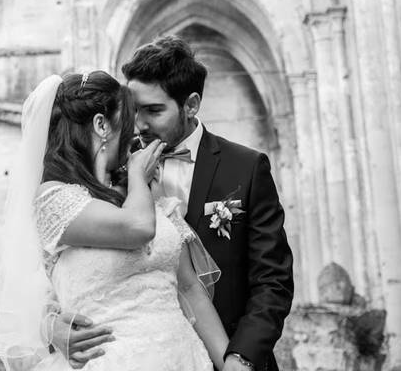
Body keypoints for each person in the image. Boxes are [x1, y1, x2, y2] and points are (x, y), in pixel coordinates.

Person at [54, 36, 294, 371]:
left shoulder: (247, 168)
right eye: (134, 110)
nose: (139, 124)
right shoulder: (109, 173)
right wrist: (51, 325)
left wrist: (240, 357)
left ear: (191, 105)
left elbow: (273, 279)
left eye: (153, 111)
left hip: (232, 356)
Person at [0, 71, 229, 371]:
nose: (136, 132)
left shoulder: (140, 195)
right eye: (128, 121)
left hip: (183, 359)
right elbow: (138, 228)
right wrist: (49, 325)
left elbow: (191, 287)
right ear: (101, 124)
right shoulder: (54, 198)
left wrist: (231, 362)